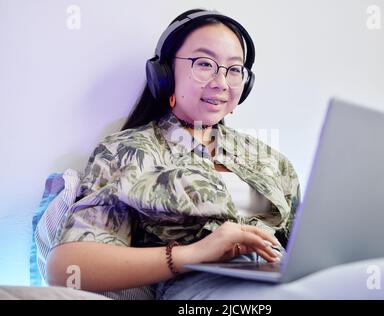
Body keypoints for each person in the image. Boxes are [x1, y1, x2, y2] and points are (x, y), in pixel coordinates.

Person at [45, 9, 301, 299]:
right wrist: (193, 254)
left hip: (291, 281)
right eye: (205, 64)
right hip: (207, 289)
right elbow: (66, 269)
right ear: (164, 74)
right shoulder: (127, 152)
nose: (221, 82)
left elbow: (307, 245)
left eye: (233, 69)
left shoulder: (271, 160)